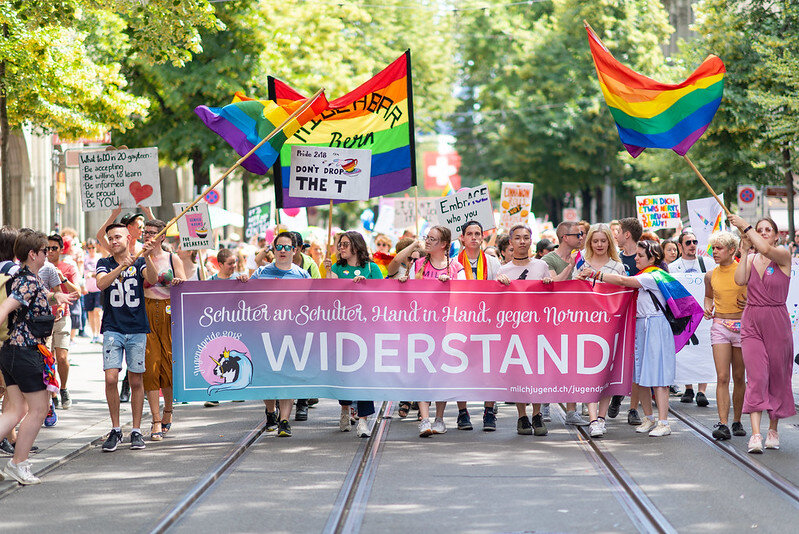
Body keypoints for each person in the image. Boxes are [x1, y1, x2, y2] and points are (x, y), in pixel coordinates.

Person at [578, 240, 702, 437]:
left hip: (655, 325)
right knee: (641, 374)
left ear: (652, 258)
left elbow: (624, 282)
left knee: (659, 376)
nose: (635, 258)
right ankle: (649, 418)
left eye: (640, 255)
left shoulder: (653, 275)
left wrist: (596, 274)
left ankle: (663, 422)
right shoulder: (644, 274)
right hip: (641, 325)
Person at [0, 229, 77, 484]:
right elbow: (6, 308)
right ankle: (18, 463)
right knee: (39, 408)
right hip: (25, 352)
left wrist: (57, 297)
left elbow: (33, 301)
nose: (49, 254)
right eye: (45, 251)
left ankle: (17, 462)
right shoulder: (29, 281)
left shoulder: (24, 277)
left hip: (12, 351)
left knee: (16, 409)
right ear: (32, 254)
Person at [729, 215, 795, 453]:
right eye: (760, 229)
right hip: (752, 320)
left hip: (777, 320)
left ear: (777, 235)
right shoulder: (753, 256)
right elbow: (739, 280)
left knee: (777, 376)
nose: (764, 232)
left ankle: (773, 429)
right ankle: (756, 434)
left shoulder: (783, 256)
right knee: (756, 376)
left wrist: (743, 224)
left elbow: (766, 248)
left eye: (768, 229)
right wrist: (744, 252)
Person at [96, 223, 158, 452]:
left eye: (118, 237)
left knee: (135, 380)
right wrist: (121, 267)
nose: (114, 241)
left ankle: (136, 429)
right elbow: (101, 284)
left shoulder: (139, 260)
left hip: (137, 328)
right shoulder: (105, 263)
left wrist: (149, 257)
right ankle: (115, 428)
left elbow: (152, 278)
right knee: (111, 378)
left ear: (129, 238)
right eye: (111, 238)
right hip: (113, 328)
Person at [399, 225, 465, 437]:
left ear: (444, 244)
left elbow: (465, 292)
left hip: (447, 328)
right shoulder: (417, 264)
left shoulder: (455, 267)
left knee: (441, 373)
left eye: (433, 239)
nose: (427, 242)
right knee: (421, 370)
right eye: (427, 238)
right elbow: (408, 294)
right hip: (421, 328)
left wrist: (451, 284)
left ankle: (439, 418)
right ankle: (425, 419)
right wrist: (403, 283)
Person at [250, 231, 311, 437]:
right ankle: (270, 412)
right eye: (279, 247)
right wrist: (242, 280)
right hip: (265, 333)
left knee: (288, 375)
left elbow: (312, 302)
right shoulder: (260, 273)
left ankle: (284, 420)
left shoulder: (302, 275)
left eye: (287, 247)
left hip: (292, 334)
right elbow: (246, 297)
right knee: (268, 376)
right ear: (273, 249)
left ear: (294, 250)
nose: (283, 251)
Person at [323, 231, 383, 438]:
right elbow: (329, 296)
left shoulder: (371, 268)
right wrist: (329, 275)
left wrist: (366, 284)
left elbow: (384, 295)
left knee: (364, 375)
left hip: (365, 329)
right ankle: (345, 408)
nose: (341, 247)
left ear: (356, 247)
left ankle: (364, 421)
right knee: (345, 373)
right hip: (342, 328)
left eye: (345, 244)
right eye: (340, 244)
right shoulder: (338, 268)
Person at [497, 224, 552, 436]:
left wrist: (548, 284)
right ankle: (522, 416)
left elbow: (550, 296)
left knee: (537, 369)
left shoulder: (541, 266)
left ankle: (537, 414)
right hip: (515, 328)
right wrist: (500, 284)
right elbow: (499, 301)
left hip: (538, 327)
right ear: (510, 242)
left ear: (531, 241)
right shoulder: (503, 270)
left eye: (526, 238)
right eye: (517, 238)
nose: (522, 241)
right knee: (519, 370)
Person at [573, 224, 625, 437]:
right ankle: (593, 418)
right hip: (586, 324)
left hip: (609, 325)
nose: (600, 244)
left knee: (606, 372)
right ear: (590, 243)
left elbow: (622, 292)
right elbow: (573, 292)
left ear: (609, 243)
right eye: (596, 241)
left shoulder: (617, 266)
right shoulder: (581, 264)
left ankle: (601, 417)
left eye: (603, 241)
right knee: (589, 372)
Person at [141, 219, 185, 442]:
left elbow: (185, 285)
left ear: (162, 237)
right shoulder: (138, 258)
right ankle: (155, 420)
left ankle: (168, 410)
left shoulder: (171, 258)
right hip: (147, 313)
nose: (147, 236)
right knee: (150, 367)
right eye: (145, 232)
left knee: (167, 366)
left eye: (152, 233)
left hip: (169, 313)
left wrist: (177, 281)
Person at [456, 220, 502, 431]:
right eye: (470, 233)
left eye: (477, 233)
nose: (474, 237)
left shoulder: (492, 263)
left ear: (482, 237)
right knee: (461, 366)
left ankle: (489, 411)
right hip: (461, 322)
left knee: (489, 367)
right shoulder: (453, 263)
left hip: (487, 322)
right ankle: (462, 412)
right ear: (462, 238)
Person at [542, 222, 588, 426]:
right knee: (549, 362)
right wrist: (571, 266)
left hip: (577, 319)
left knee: (573, 364)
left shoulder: (584, 257)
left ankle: (572, 410)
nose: (581, 237)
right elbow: (555, 284)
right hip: (553, 319)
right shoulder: (548, 260)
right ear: (564, 237)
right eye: (577, 234)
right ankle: (543, 404)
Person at [703, 231, 747, 441]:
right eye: (713, 248)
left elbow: (757, 295)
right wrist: (707, 307)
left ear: (732, 250)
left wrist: (750, 303)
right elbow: (708, 296)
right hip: (720, 325)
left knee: (739, 376)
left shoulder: (744, 270)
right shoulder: (710, 274)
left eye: (719, 248)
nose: (715, 252)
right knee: (722, 377)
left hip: (742, 326)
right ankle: (722, 423)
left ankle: (737, 420)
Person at [671, 230, 716, 407]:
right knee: (686, 350)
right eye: (688, 242)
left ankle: (701, 390)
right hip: (684, 315)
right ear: (680, 245)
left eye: (695, 241)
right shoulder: (673, 267)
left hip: (704, 314)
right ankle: (688, 387)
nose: (692, 245)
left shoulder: (708, 263)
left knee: (704, 348)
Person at [608, 217, 643, 425]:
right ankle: (617, 394)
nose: (616, 235)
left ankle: (633, 409)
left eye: (618, 231)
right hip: (620, 317)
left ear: (627, 234)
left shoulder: (644, 257)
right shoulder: (616, 261)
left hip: (639, 316)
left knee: (636, 364)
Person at [44, 234, 81, 413]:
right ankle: (53, 394)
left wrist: (62, 278)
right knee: (47, 359)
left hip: (62, 318)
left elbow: (79, 292)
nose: (50, 252)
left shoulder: (67, 267)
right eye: (47, 248)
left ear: (61, 250)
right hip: (43, 319)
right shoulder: (40, 267)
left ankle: (64, 388)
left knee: (62, 358)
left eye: (54, 248)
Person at [83, 238, 103, 343]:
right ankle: (94, 334)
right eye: (89, 248)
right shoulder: (84, 259)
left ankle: (98, 334)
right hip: (88, 288)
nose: (91, 250)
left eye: (93, 247)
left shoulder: (99, 258)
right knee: (90, 313)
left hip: (98, 288)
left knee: (98, 312)